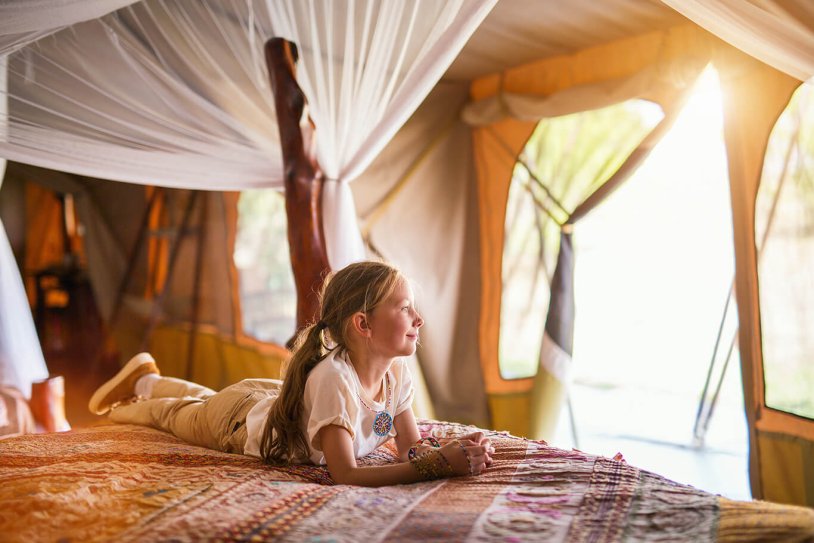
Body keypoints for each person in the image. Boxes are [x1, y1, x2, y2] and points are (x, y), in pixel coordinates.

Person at [88, 261, 493, 486]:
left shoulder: (397, 372)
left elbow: (411, 449)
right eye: (404, 308)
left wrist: (453, 451)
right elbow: (346, 473)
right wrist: (439, 466)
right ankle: (130, 400)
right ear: (362, 325)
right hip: (238, 422)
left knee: (205, 399)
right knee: (175, 416)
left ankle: (146, 377)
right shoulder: (335, 380)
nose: (418, 318)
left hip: (262, 399)